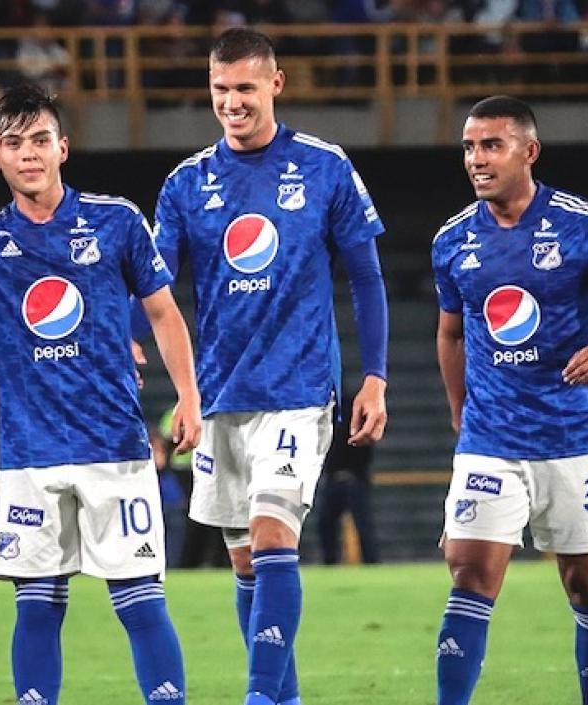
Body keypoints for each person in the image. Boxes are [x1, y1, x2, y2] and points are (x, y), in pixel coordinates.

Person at [0, 82, 201, 705]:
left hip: (114, 446)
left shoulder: (117, 219)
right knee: (40, 606)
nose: (30, 154)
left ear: (63, 149)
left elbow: (163, 314)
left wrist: (188, 396)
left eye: (41, 141)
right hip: (29, 452)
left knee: (139, 599)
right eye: (14, 143)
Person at [146, 27, 389, 705]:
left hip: (299, 388)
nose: (232, 102)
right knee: (247, 563)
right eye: (221, 89)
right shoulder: (186, 183)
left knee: (273, 533)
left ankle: (257, 697)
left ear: (275, 84)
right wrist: (167, 376)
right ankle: (283, 697)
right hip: (223, 393)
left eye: (245, 88)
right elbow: (156, 292)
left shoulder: (324, 165)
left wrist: (374, 374)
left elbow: (366, 278)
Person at [431, 95, 588, 705]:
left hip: (570, 436)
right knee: (469, 572)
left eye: (491, 145)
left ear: (529, 151)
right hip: (491, 440)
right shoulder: (453, 241)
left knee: (586, 583)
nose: (476, 159)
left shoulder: (585, 227)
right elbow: (448, 332)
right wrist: (459, 410)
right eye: (469, 146)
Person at [315, 411, 380, 565]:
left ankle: (371, 561)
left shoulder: (350, 418)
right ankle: (330, 561)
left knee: (363, 525)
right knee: (326, 523)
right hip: (336, 479)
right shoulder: (331, 419)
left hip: (353, 480)